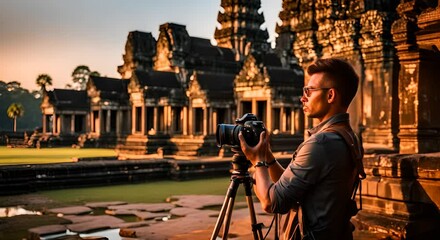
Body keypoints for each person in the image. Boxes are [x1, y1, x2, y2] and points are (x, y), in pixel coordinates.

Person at [238, 58, 364, 240]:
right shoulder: (349, 137)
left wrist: (257, 160)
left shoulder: (321, 143)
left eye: (309, 91)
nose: (302, 97)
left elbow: (271, 202)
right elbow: (288, 186)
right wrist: (268, 156)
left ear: (330, 96)